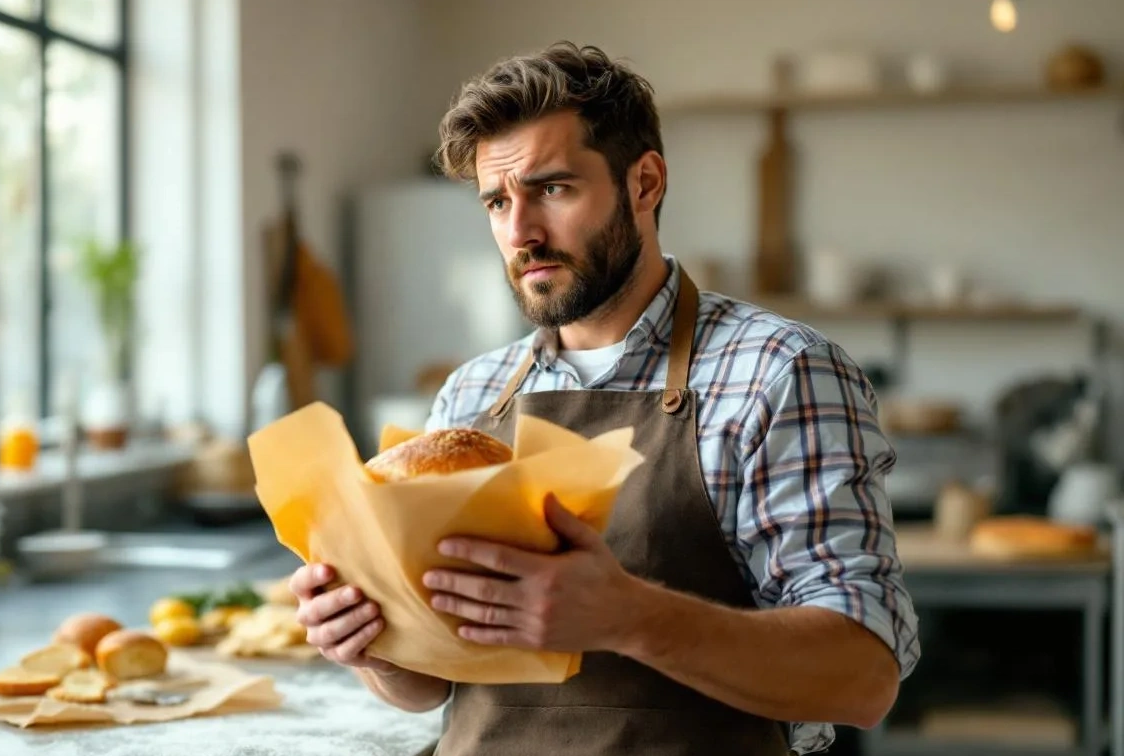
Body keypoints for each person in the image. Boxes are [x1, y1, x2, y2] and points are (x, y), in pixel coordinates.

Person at [288, 41, 919, 755]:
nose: (520, 232)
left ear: (644, 183)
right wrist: (369, 646)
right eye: (497, 201)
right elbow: (427, 685)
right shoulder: (471, 394)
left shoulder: (779, 373)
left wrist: (631, 618)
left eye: (552, 189)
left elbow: (863, 675)